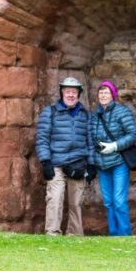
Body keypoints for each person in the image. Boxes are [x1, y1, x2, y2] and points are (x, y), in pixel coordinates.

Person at [35, 76, 97, 235]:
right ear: (62, 93)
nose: (71, 95)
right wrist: (45, 161)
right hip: (56, 163)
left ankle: (75, 235)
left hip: (77, 164)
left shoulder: (85, 114)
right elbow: (42, 138)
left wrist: (91, 164)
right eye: (68, 91)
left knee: (76, 203)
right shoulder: (50, 112)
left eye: (74, 92)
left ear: (79, 94)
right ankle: (52, 234)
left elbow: (90, 141)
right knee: (55, 199)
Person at [89, 80, 136, 236]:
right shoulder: (95, 115)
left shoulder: (122, 112)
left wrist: (114, 145)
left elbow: (133, 134)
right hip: (102, 164)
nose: (103, 95)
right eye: (101, 93)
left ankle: (124, 235)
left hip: (118, 162)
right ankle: (113, 233)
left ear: (113, 95)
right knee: (108, 202)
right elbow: (90, 138)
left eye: (107, 93)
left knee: (119, 201)